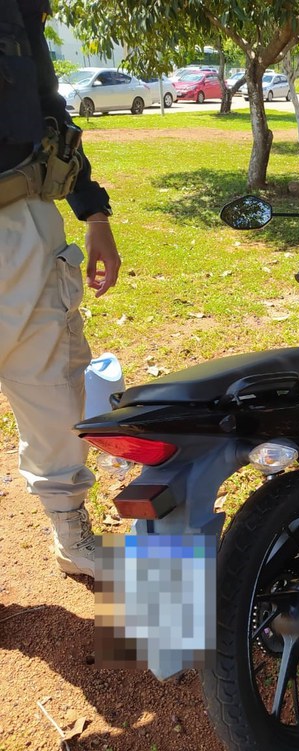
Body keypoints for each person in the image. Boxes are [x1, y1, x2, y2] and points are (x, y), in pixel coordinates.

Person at [0, 0, 121, 577]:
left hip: (23, 218)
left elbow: (47, 105)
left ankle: (71, 533)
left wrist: (94, 212)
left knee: (54, 393)